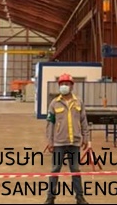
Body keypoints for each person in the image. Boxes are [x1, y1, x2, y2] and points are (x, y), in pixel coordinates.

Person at [44, 74, 90, 205]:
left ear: (72, 86)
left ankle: (80, 198)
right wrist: (50, 141)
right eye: (62, 84)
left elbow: (83, 121)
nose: (64, 86)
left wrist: (86, 137)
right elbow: (50, 123)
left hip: (74, 143)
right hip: (59, 143)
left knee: (75, 170)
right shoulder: (54, 103)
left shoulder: (78, 102)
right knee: (55, 170)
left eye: (67, 84)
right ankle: (50, 198)